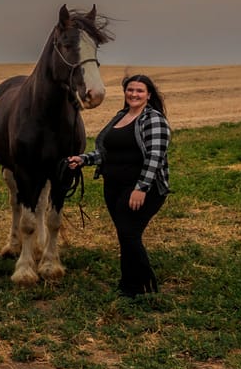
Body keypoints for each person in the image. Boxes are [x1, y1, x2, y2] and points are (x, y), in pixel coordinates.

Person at [67, 74, 171, 297]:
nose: (134, 94)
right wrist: (84, 159)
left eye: (140, 91)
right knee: (125, 234)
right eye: (130, 90)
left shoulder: (153, 119)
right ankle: (129, 284)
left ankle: (144, 286)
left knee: (129, 233)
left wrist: (141, 188)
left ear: (149, 95)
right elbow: (107, 152)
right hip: (113, 186)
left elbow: (155, 157)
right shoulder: (121, 116)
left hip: (142, 189)